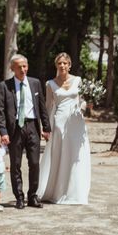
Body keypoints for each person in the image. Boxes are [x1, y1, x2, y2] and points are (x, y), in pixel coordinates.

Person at [0, 54, 51, 209]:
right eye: (19, 67)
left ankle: (33, 196)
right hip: (15, 130)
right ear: (12, 68)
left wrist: (46, 128)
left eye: (24, 66)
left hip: (33, 126)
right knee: (15, 165)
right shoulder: (5, 86)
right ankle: (19, 197)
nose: (22, 69)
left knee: (34, 163)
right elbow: (1, 111)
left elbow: (41, 107)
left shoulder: (35, 83)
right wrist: (3, 132)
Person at [37, 52, 91, 204]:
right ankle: (58, 191)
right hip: (59, 122)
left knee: (75, 155)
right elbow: (48, 106)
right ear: (56, 65)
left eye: (65, 63)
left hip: (76, 122)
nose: (62, 66)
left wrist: (82, 108)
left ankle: (75, 191)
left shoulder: (78, 80)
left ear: (69, 65)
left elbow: (83, 100)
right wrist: (45, 127)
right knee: (61, 154)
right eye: (59, 63)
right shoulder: (50, 84)